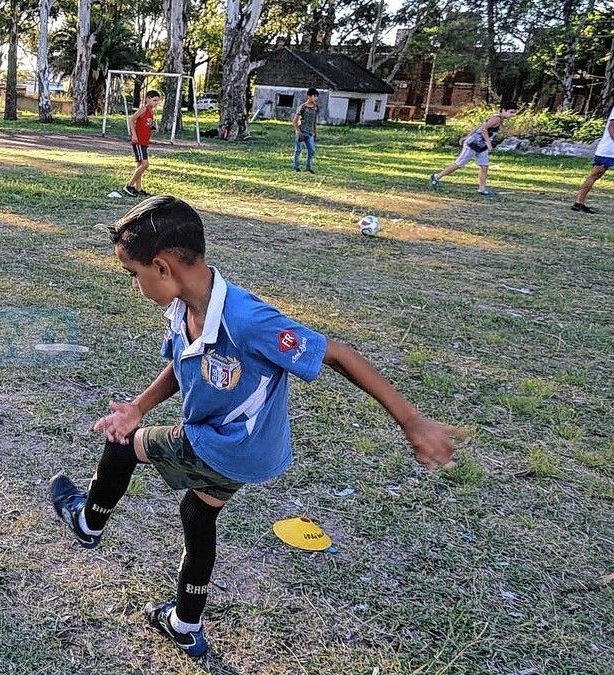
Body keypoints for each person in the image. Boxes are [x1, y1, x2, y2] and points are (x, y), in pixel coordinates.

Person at [49, 196, 460, 658]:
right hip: (251, 452)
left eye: (133, 275)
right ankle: (185, 623)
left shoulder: (247, 319)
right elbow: (184, 361)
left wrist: (410, 419)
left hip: (225, 446)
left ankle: (88, 521)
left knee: (122, 447)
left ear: (162, 268)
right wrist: (139, 406)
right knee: (197, 514)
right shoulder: (186, 305)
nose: (133, 285)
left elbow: (338, 353)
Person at [430, 105, 516, 196]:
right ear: (503, 110)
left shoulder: (498, 118)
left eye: (514, 113)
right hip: (473, 144)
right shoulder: (496, 119)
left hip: (482, 146)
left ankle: (482, 189)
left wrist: (468, 136)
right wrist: (487, 142)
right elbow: (483, 129)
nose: (512, 115)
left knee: (484, 166)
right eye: (511, 112)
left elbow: (479, 126)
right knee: (459, 164)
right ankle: (436, 177)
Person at [571, 104, 614, 213]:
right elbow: (611, 126)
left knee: (595, 175)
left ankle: (578, 202)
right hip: (608, 150)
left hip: (606, 150)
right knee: (595, 174)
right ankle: (578, 203)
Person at [125, 90, 162, 197]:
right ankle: (129, 185)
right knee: (145, 164)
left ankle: (138, 188)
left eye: (157, 101)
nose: (156, 103)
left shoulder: (152, 112)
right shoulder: (143, 109)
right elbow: (131, 120)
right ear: (147, 99)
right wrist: (134, 135)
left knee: (140, 165)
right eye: (154, 100)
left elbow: (146, 124)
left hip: (145, 142)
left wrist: (152, 128)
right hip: (139, 141)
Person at [293, 88, 319, 173]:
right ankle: (296, 168)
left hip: (310, 132)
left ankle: (308, 168)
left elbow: (314, 121)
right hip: (301, 130)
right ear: (309, 96)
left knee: (311, 151)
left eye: (316, 96)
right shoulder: (303, 107)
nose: (315, 98)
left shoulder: (315, 107)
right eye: (314, 96)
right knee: (298, 150)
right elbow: (295, 121)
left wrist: (315, 132)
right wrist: (299, 132)